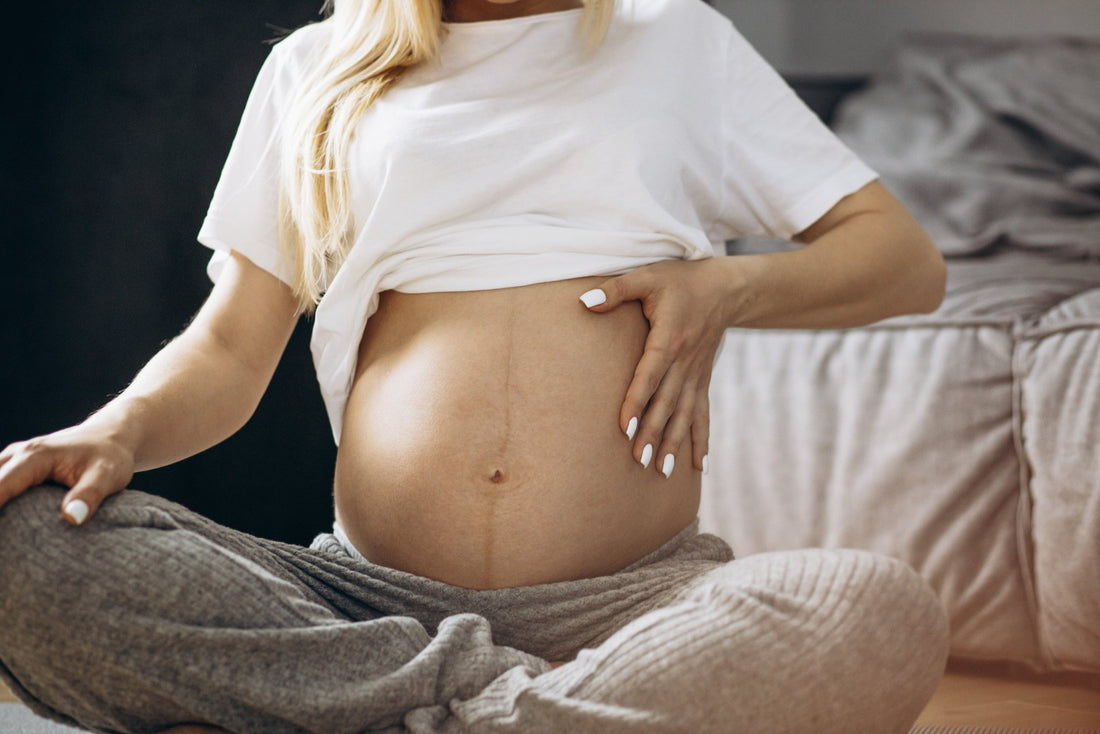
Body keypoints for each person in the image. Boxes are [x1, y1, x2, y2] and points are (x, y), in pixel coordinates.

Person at [0, 0, 951, 732]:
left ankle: (360, 719)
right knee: (20, 537)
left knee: (873, 607)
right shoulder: (317, 71)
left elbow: (901, 261)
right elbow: (231, 346)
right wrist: (110, 430)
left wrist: (725, 289)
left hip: (637, 605)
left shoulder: (676, 40)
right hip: (357, 614)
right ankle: (519, 712)